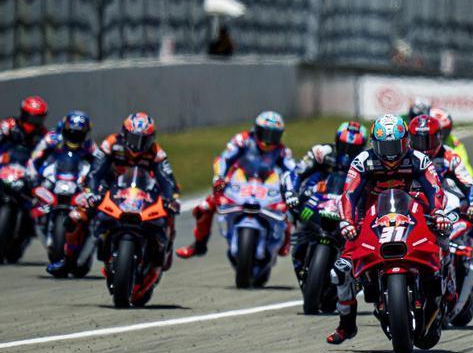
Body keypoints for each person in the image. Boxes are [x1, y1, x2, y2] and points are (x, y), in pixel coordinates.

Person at [326, 114, 450, 345]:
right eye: (385, 147)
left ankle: (446, 284)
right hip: (369, 219)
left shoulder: (419, 159)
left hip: (412, 213)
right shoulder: (362, 161)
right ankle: (347, 325)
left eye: (395, 146)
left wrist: (438, 213)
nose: (391, 153)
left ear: (406, 142)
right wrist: (347, 221)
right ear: (374, 144)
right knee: (340, 271)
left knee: (443, 236)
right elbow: (349, 195)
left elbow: (435, 189)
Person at [48, 112, 180, 274]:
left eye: (143, 140)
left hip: (145, 191)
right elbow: (95, 172)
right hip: (110, 187)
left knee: (169, 210)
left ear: (151, 138)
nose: (138, 145)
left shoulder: (157, 152)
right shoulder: (110, 144)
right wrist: (91, 192)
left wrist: (171, 198)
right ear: (124, 133)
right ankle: (67, 258)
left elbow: (167, 179)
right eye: (134, 138)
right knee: (76, 216)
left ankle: (165, 247)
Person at [176, 111, 294, 259]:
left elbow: (293, 171)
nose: (268, 141)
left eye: (273, 136)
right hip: (238, 183)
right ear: (256, 130)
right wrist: (219, 177)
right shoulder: (243, 140)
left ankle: (286, 238)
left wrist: (294, 189)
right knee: (204, 208)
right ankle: (199, 245)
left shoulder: (282, 151)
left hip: (267, 187)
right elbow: (223, 159)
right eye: (265, 134)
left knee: (291, 205)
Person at [282, 121, 367, 280]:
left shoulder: (365, 162)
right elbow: (296, 173)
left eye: (353, 149)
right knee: (296, 209)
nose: (347, 153)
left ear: (361, 148)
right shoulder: (322, 152)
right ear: (336, 142)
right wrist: (291, 193)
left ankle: (353, 273)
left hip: (346, 207)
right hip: (316, 201)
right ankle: (296, 242)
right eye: (344, 146)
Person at [411, 114, 473, 282]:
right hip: (413, 204)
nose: (423, 146)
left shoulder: (449, 156)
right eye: (418, 140)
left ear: (439, 137)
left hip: (445, 204)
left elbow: (469, 184)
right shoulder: (406, 157)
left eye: (428, 140)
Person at [27, 110, 97, 179]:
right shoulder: (52, 138)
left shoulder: (89, 145)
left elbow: (99, 162)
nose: (74, 137)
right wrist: (33, 177)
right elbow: (34, 158)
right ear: (64, 129)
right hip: (51, 175)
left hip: (78, 175)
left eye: (79, 134)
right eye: (70, 132)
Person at [431, 108, 473, 178]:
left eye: (446, 130)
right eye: (440, 131)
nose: (442, 135)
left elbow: (463, 162)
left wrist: (469, 178)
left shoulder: (453, 141)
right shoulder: (421, 143)